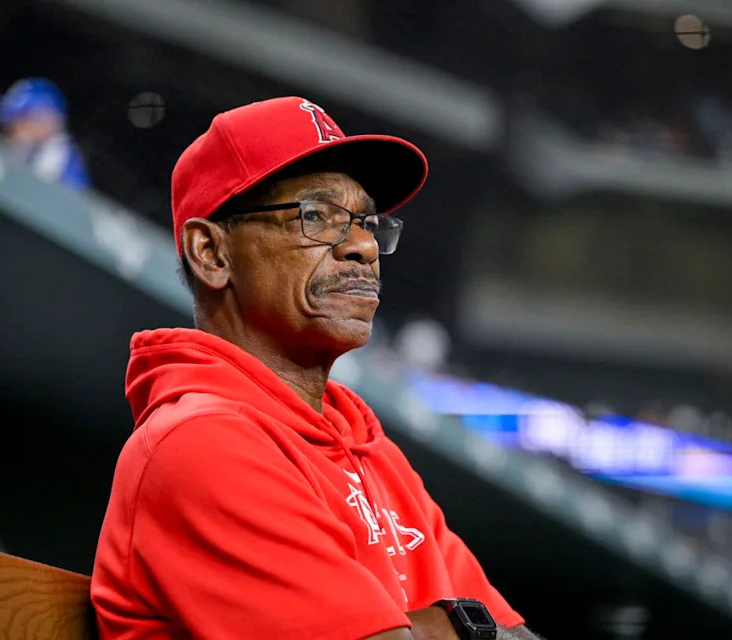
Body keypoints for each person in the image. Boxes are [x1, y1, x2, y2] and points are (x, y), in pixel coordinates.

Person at [91, 96, 540, 639]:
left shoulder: (371, 449)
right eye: (318, 216)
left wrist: (440, 629)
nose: (363, 246)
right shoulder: (199, 443)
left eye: (367, 222)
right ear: (211, 253)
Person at [0, 77, 90, 191]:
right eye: (12, 121)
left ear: (50, 120)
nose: (14, 129)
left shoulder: (64, 167)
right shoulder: (27, 152)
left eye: (23, 120)